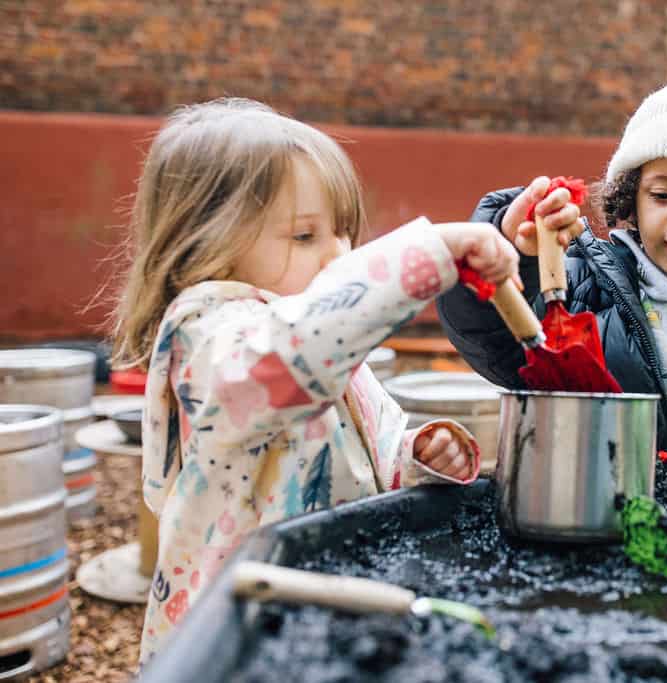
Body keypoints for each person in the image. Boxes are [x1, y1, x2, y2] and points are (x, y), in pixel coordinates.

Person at [109, 98, 519, 662]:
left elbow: (367, 454)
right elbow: (280, 369)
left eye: (344, 232)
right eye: (305, 237)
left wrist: (417, 455)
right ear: (207, 241)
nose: (338, 253)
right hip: (242, 626)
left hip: (326, 600)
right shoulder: (207, 334)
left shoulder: (322, 339)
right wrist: (424, 256)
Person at [438, 54, 667, 458]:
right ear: (633, 197)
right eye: (661, 195)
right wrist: (508, 252)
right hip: (622, 513)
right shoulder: (592, 294)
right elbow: (493, 338)